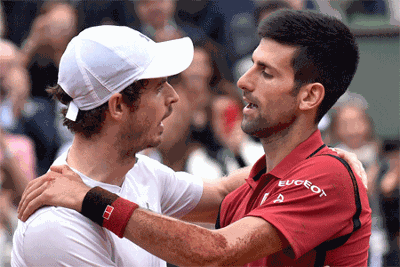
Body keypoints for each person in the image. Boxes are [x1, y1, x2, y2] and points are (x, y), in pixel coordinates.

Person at [17, 10, 370, 266]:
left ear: (309, 96)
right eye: (159, 86)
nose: (243, 81)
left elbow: (219, 225)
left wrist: (328, 164)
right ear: (118, 106)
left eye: (265, 71)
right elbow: (219, 221)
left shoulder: (132, 177)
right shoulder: (57, 225)